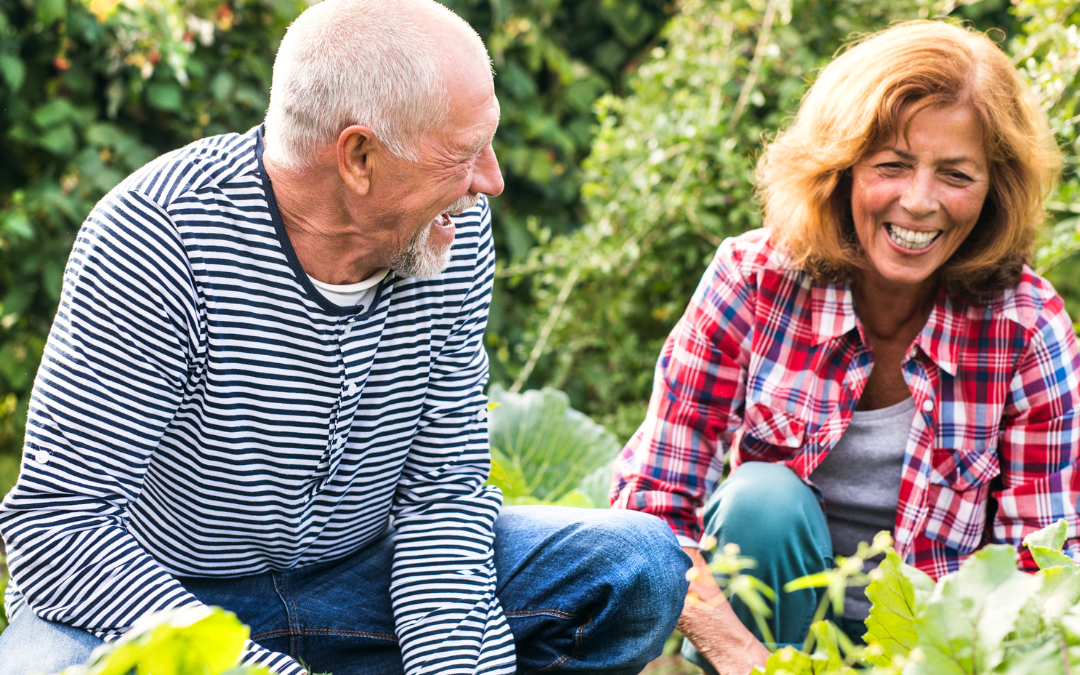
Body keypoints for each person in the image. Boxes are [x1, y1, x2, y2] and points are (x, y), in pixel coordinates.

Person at [0, 1, 689, 674]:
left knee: (640, 567)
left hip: (363, 583)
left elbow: (441, 497)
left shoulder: (448, 232)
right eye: (465, 152)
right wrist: (244, 663)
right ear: (358, 156)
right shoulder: (157, 238)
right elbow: (59, 527)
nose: (492, 181)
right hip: (161, 593)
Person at [611, 20, 1080, 675]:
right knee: (764, 501)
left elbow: (1042, 562)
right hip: (757, 640)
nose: (919, 202)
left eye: (956, 174)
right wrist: (746, 658)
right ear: (842, 166)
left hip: (929, 651)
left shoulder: (1027, 326)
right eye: (891, 165)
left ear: (995, 186)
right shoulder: (754, 280)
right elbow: (653, 503)